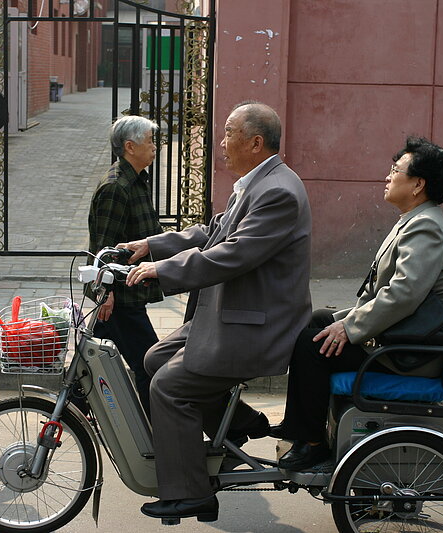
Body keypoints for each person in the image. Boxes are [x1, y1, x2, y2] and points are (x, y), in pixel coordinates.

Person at [120, 102, 312, 521]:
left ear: (255, 142)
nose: (221, 143)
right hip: (235, 316)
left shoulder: (277, 191)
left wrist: (160, 271)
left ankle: (193, 493)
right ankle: (239, 424)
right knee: (153, 358)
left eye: (228, 133)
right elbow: (212, 232)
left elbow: (232, 254)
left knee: (169, 388)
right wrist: (151, 245)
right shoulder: (257, 182)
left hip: (258, 327)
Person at [274, 136, 443, 472]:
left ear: (418, 184)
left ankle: (313, 442)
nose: (388, 177)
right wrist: (340, 320)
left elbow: (402, 295)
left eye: (395, 171)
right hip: (399, 336)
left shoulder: (426, 228)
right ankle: (302, 428)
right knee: (318, 321)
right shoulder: (416, 219)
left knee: (310, 345)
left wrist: (348, 326)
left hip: (408, 351)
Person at [88, 115, 163, 415]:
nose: (156, 146)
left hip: (125, 292)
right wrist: (105, 293)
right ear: (130, 147)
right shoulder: (116, 187)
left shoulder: (135, 180)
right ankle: (159, 435)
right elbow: (103, 247)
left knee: (92, 364)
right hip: (120, 296)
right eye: (151, 141)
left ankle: (70, 416)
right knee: (151, 365)